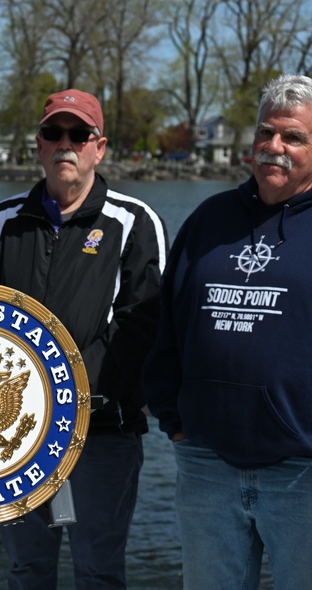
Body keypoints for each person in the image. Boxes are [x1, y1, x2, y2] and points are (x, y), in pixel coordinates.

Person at [0, 89, 167, 589]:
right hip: (13, 438)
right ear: (38, 144)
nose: (66, 144)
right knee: (26, 569)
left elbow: (140, 330)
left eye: (79, 134)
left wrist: (64, 397)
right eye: (53, 133)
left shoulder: (134, 223)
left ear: (98, 148)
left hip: (103, 433)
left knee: (100, 572)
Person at [143, 74, 312, 588]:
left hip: (303, 472)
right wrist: (173, 417)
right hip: (205, 461)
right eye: (266, 133)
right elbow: (167, 325)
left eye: (294, 138)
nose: (274, 148)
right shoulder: (210, 219)